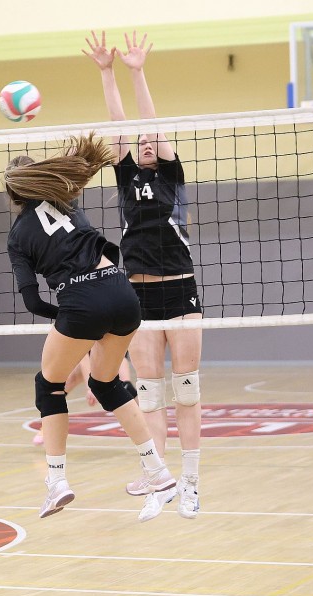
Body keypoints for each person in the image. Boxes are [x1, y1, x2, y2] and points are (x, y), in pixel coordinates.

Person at [3, 134, 178, 523]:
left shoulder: (18, 236)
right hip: (122, 292)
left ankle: (56, 482)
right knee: (106, 383)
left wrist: (69, 317)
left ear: (13, 196)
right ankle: (159, 473)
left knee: (48, 386)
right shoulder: (67, 201)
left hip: (82, 301)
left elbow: (33, 302)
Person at [85, 30, 202, 519]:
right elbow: (120, 126)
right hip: (139, 295)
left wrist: (137, 72)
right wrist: (107, 72)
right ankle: (160, 480)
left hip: (180, 289)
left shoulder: (171, 175)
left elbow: (150, 122)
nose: (147, 143)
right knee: (149, 393)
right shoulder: (127, 175)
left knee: (187, 390)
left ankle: (191, 482)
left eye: (153, 140)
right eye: (142, 142)